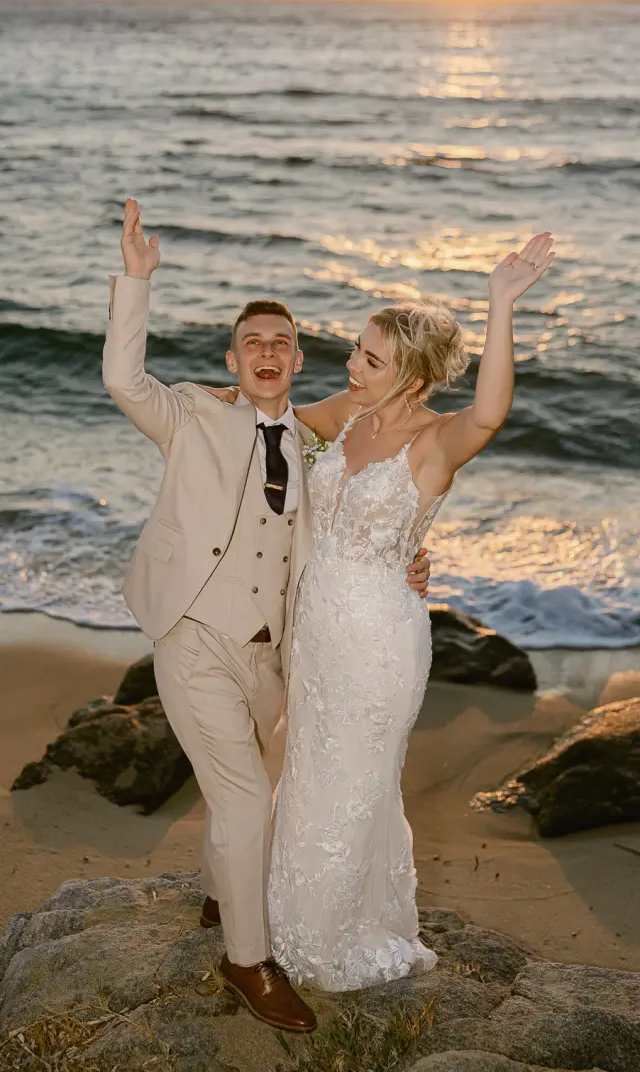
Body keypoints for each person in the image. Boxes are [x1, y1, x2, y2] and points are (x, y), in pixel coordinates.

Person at [102, 198, 432, 1031]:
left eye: (281, 341)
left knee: (240, 782)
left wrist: (408, 553)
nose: (266, 350)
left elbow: (396, 445)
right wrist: (136, 281)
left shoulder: (320, 434)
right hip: (194, 637)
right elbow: (122, 380)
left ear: (297, 359)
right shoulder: (191, 415)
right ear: (231, 358)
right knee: (249, 801)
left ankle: (220, 896)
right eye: (252, 340)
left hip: (277, 655)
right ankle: (248, 960)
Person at [215, 231, 555, 991]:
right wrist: (196, 401)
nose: (352, 367)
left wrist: (500, 302)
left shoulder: (434, 444)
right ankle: (278, 911)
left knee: (353, 781)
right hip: (317, 631)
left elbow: (493, 411)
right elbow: (272, 411)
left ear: (410, 375)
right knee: (304, 768)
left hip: (378, 642)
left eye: (370, 360)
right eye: (356, 353)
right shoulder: (352, 417)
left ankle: (331, 936)